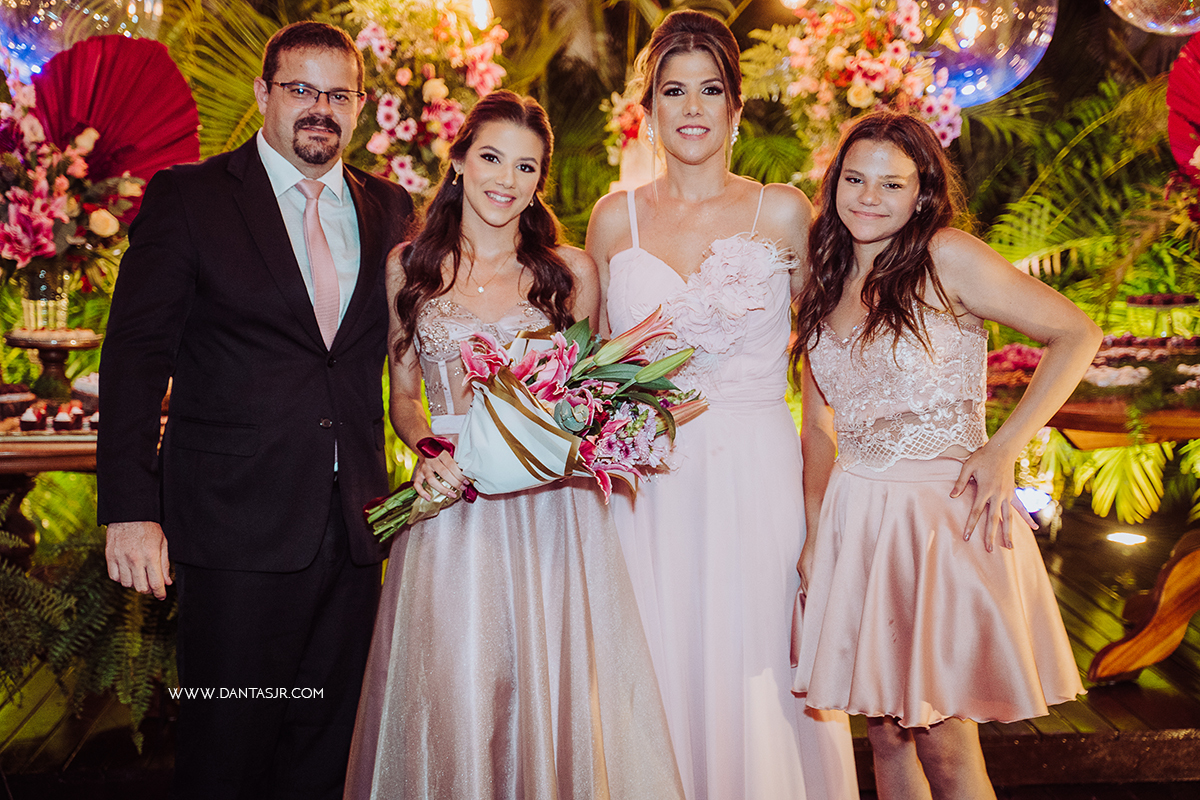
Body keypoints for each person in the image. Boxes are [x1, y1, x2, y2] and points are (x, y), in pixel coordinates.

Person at [96, 21, 414, 799]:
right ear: (262, 93)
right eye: (301, 89)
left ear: (360, 106)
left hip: (355, 530)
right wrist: (130, 509)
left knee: (326, 758)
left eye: (338, 94)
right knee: (227, 754)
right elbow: (135, 358)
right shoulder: (190, 198)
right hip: (232, 530)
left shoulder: (390, 209)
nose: (320, 108)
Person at [343, 90, 684, 799]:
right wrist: (427, 451)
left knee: (549, 691)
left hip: (551, 510)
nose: (506, 180)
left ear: (539, 181)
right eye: (492, 158)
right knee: (456, 689)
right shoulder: (409, 267)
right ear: (460, 160)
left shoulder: (570, 273)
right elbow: (403, 395)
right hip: (452, 507)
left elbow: (587, 396)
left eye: (525, 167)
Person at [585, 11, 859, 800]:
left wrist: (821, 507)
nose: (692, 107)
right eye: (673, 90)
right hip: (648, 486)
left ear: (736, 106)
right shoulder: (613, 218)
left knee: (756, 665)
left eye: (710, 89)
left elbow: (825, 368)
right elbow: (594, 367)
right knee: (651, 661)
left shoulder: (782, 211)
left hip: (756, 477)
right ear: (650, 108)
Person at [791, 111, 1098, 799]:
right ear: (834, 183)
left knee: (946, 746)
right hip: (858, 520)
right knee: (885, 737)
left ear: (922, 191)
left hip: (937, 523)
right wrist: (815, 535)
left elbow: (1077, 333)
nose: (869, 197)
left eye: (892, 184)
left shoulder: (946, 257)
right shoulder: (822, 277)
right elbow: (817, 427)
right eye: (855, 179)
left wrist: (1004, 446)